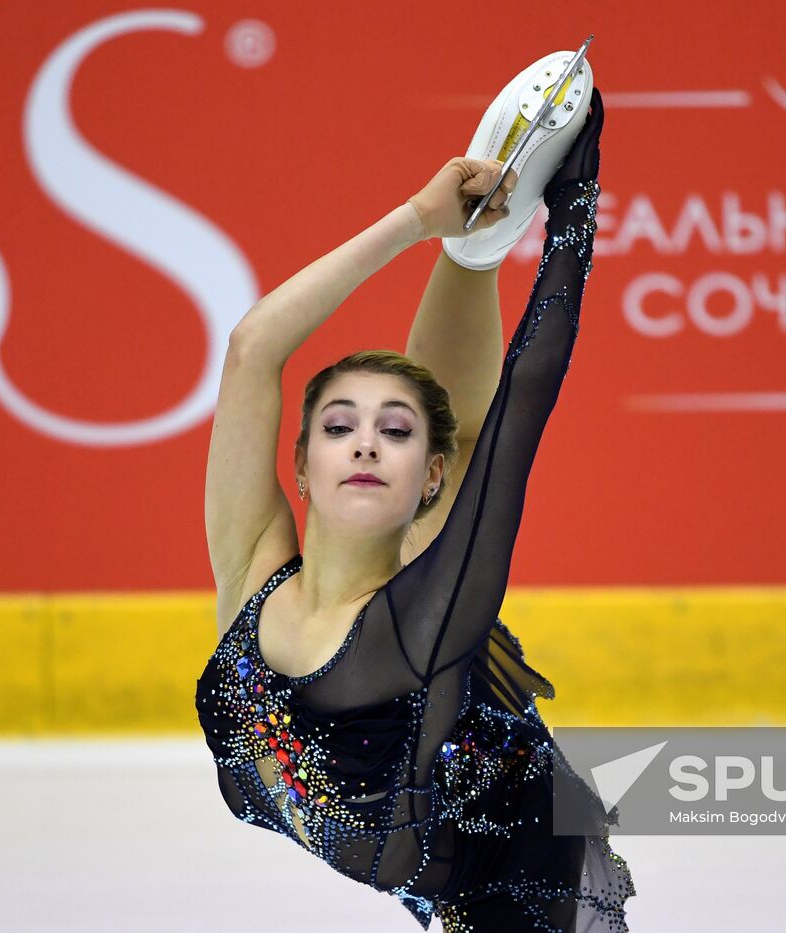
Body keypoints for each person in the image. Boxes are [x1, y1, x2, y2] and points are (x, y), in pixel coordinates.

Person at [196, 88, 633, 930]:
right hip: (432, 825)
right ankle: (473, 255)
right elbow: (254, 349)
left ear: (426, 476)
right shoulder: (253, 570)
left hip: (524, 874)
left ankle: (477, 260)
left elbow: (520, 405)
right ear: (300, 461)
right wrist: (418, 221)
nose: (363, 444)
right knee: (450, 447)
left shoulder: (415, 625)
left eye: (392, 433)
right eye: (339, 425)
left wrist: (574, 209)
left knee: (465, 452)